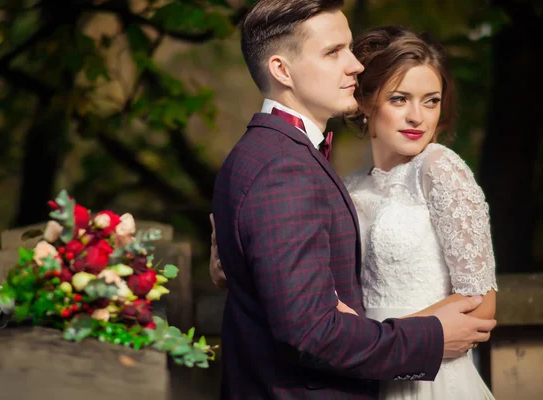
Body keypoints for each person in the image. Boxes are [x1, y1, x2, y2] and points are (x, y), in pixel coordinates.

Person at [211, 1, 496, 399]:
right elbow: (309, 331)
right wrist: (425, 336)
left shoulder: (269, 154)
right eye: (333, 52)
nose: (356, 65)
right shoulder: (284, 167)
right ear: (281, 70)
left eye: (431, 100)